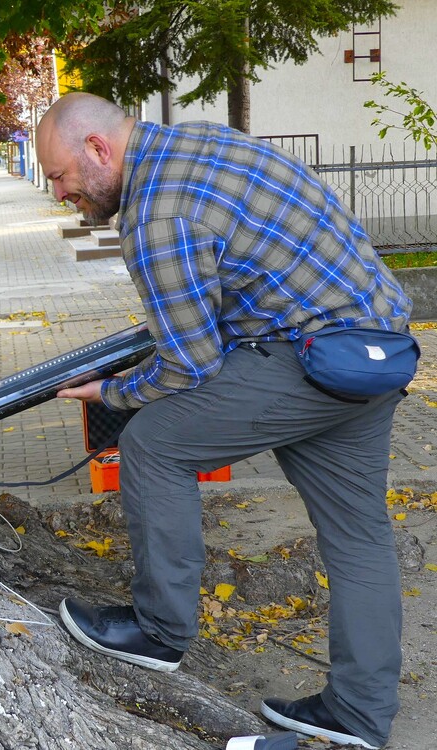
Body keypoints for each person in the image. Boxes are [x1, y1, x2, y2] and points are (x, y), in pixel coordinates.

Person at [36, 92, 413, 750]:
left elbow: (188, 364)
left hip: (312, 354)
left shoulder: (154, 211)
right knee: (359, 536)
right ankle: (360, 712)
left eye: (61, 177)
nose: (61, 194)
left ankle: (158, 631)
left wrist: (115, 392)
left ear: (98, 150)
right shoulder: (202, 141)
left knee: (154, 442)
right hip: (376, 347)